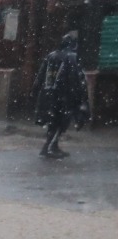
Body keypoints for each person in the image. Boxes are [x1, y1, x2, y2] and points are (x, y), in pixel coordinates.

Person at [33, 31, 90, 159]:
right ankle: (50, 147)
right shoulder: (71, 57)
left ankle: (50, 146)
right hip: (63, 95)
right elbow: (77, 79)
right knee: (60, 122)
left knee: (52, 121)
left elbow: (40, 76)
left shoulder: (50, 56)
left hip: (47, 94)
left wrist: (35, 91)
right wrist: (81, 97)